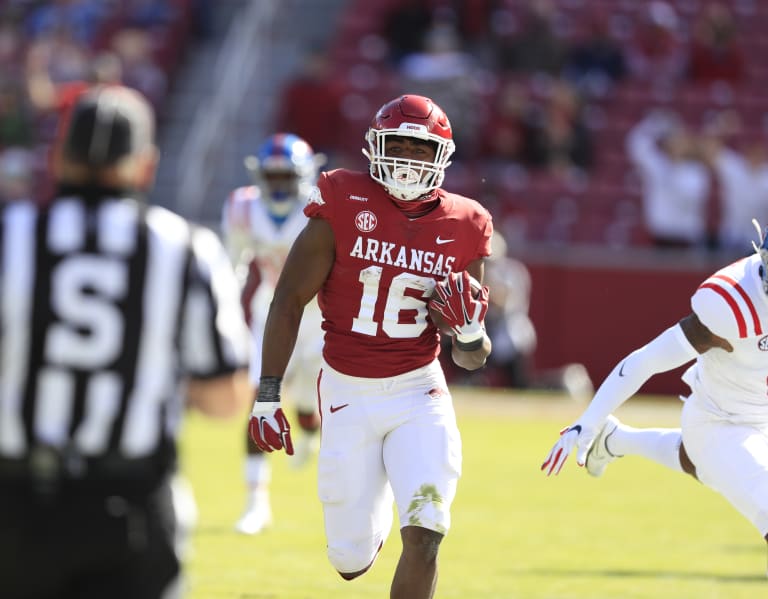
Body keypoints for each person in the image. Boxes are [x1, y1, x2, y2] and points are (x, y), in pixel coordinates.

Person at [0, 85, 251, 599]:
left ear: (58, 157)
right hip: (130, 508)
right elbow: (225, 398)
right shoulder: (187, 249)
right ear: (145, 165)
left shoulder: (11, 235)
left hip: (15, 504)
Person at [248, 94, 493, 599]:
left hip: (418, 392)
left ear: (440, 156)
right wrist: (268, 394)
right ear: (375, 146)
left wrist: (470, 334)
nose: (406, 157)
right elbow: (290, 298)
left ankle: (405, 509)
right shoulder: (342, 195)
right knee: (349, 561)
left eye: (419, 147)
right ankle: (372, 519)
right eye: (396, 143)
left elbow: (470, 354)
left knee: (426, 534)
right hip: (347, 392)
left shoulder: (467, 223)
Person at [541, 219, 768, 569]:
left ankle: (617, 440)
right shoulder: (731, 304)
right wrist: (587, 421)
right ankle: (610, 437)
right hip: (724, 421)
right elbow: (647, 361)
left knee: (701, 465)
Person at [221, 132, 326, 535]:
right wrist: (226, 309)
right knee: (260, 398)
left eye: (287, 177)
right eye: (273, 176)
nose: (280, 185)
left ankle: (310, 430)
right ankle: (256, 503)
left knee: (305, 398)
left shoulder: (321, 204)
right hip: (270, 310)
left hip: (318, 314)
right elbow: (232, 265)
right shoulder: (243, 207)